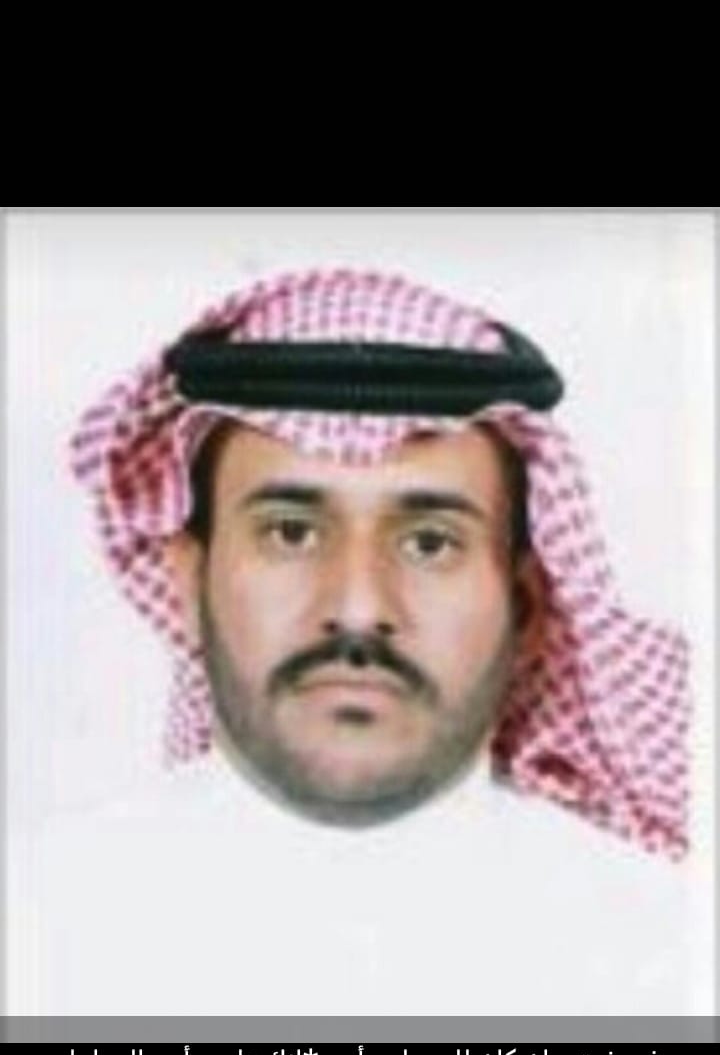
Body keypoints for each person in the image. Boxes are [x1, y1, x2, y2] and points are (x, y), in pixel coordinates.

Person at [27, 269, 695, 1016]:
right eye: (291, 532)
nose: (357, 607)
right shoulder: (36, 931)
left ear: (529, 608)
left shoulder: (667, 963)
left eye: (430, 543)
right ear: (185, 581)